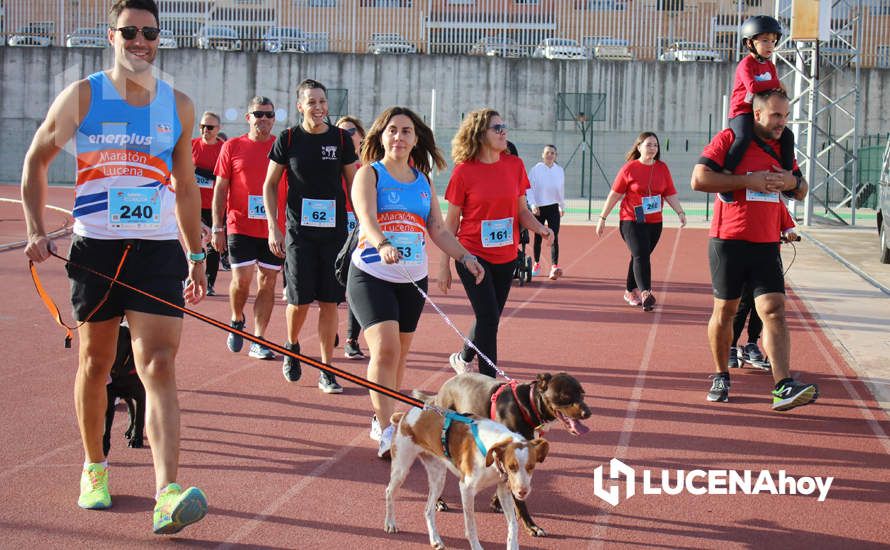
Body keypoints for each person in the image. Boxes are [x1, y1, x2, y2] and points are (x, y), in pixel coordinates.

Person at [21, 0, 207, 534]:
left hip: (155, 252)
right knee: (96, 364)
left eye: (150, 32)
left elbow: (187, 185)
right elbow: (37, 158)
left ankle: (167, 493)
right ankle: (94, 467)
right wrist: (35, 229)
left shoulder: (178, 104)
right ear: (112, 35)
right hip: (97, 250)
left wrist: (195, 254)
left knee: (160, 366)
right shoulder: (84, 95)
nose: (140, 41)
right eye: (130, 32)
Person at [347, 106, 484, 457]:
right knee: (386, 348)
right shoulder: (369, 174)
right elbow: (365, 217)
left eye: (406, 131)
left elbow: (437, 228)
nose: (399, 137)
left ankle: (385, 412)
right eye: (392, 130)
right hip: (372, 272)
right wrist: (383, 243)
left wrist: (464, 257)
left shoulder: (422, 180)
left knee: (401, 352)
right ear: (381, 136)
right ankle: (388, 426)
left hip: (412, 277)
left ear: (415, 138)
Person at [691, 88, 818, 412]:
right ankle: (721, 374)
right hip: (729, 241)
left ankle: (783, 385)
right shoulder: (730, 138)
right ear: (757, 114)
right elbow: (699, 179)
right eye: (776, 115)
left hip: (765, 243)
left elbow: (801, 189)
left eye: (785, 116)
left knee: (774, 308)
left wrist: (787, 183)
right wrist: (749, 180)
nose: (781, 122)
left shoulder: (783, 145)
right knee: (726, 312)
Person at [438, 108, 553, 377]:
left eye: (504, 127)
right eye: (497, 128)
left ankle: (463, 356)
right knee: (489, 318)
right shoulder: (464, 172)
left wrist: (540, 229)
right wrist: (444, 265)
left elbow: (522, 211)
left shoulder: (514, 165)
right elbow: (450, 223)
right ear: (480, 134)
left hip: (506, 256)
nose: (504, 132)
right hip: (471, 255)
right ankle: (489, 383)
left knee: (488, 318)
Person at [264, 79, 358, 394]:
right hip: (298, 233)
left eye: (322, 102)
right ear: (300, 106)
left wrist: (363, 224)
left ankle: (327, 369)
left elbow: (353, 184)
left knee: (330, 302)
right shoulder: (288, 138)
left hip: (333, 234)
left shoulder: (341, 139)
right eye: (312, 102)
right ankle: (292, 347)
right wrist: (272, 226)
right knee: (299, 301)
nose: (319, 108)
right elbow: (269, 185)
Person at [212, 97, 285, 361]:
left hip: (273, 229)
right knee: (241, 281)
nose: (263, 119)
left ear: (274, 118)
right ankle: (236, 319)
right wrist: (216, 227)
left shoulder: (281, 147)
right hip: (238, 224)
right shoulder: (232, 146)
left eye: (268, 114)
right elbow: (220, 188)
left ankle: (259, 338)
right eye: (258, 114)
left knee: (268, 282)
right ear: (248, 117)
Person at [596, 132, 686, 311]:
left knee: (640, 256)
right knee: (641, 255)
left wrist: (680, 212)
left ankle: (630, 290)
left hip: (654, 222)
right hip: (631, 220)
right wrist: (602, 218)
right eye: (648, 145)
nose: (652, 148)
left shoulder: (662, 168)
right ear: (639, 147)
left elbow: (669, 192)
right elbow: (614, 194)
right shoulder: (629, 168)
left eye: (655, 145)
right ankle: (646, 293)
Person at [729, 206, 798, 370]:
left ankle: (752, 343)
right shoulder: (746, 197)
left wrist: (789, 233)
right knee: (743, 303)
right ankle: (731, 346)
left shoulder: (775, 200)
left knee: (765, 306)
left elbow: (787, 225)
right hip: (745, 256)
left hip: (768, 258)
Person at [725, 15, 794, 174]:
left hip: (762, 115)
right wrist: (777, 83)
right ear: (750, 43)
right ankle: (726, 173)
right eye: (765, 40)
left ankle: (788, 174)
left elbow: (775, 90)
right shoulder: (746, 64)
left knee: (787, 136)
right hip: (742, 112)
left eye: (773, 41)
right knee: (743, 137)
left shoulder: (770, 66)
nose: (770, 45)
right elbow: (752, 86)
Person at [336, 115, 367, 360]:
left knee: (353, 287)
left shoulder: (369, 166)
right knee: (331, 288)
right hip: (331, 230)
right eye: (342, 131)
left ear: (361, 136)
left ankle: (351, 338)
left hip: (359, 233)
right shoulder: (327, 163)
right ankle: (329, 326)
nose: (347, 135)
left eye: (351, 130)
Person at [191, 110, 224, 295]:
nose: (205, 130)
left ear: (218, 129)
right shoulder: (191, 146)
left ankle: (210, 282)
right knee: (193, 242)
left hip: (215, 206)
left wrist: (199, 171)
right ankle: (193, 276)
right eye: (202, 126)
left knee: (213, 245)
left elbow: (222, 175)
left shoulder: (224, 148)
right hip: (193, 204)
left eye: (210, 127)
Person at [527, 144, 565, 280]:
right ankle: (536, 263)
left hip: (553, 207)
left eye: (553, 153)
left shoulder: (559, 170)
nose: (550, 155)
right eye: (547, 153)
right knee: (538, 237)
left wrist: (562, 205)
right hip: (539, 209)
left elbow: (560, 190)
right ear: (542, 155)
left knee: (554, 237)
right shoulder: (536, 170)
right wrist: (532, 204)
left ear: (556, 156)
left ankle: (554, 267)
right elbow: (528, 188)